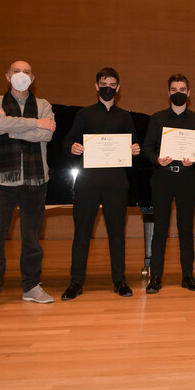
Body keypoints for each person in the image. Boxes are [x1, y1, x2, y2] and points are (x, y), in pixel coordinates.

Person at [0, 60, 56, 312]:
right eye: (16, 71)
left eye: (26, 72)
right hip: (1, 180)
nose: (21, 75)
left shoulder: (43, 105)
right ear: (7, 75)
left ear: (33, 78)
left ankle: (32, 286)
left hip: (35, 180)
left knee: (32, 237)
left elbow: (47, 134)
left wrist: (11, 127)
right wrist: (35, 123)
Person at [60, 68, 141, 301]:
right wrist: (72, 147)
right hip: (88, 183)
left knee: (117, 234)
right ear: (96, 86)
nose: (108, 87)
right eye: (104, 83)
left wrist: (135, 149)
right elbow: (67, 141)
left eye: (112, 83)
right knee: (82, 234)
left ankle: (120, 281)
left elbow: (134, 144)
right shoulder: (84, 114)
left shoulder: (125, 117)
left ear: (118, 87)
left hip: (116, 184)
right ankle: (75, 282)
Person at [141, 74, 195, 294]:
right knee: (159, 229)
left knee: (186, 229)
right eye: (173, 89)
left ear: (189, 93)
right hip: (162, 178)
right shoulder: (157, 118)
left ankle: (187, 275)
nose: (178, 92)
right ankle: (156, 276)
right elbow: (147, 148)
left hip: (187, 180)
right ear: (168, 92)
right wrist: (156, 159)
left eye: (182, 89)